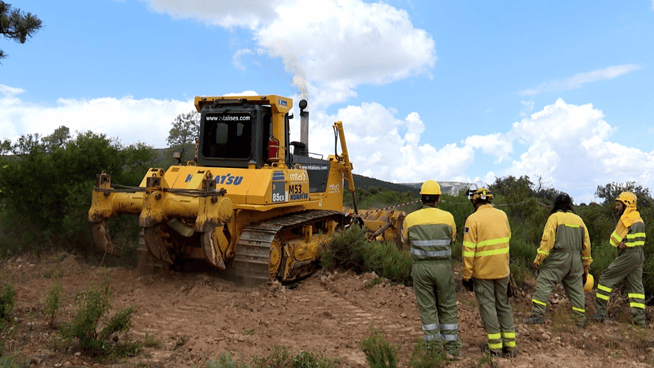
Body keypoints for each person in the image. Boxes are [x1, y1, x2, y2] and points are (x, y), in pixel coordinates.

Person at [402, 180, 462, 358]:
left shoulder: (410, 219)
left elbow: (405, 242)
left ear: (421, 198)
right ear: (438, 199)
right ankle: (452, 349)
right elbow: (452, 239)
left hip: (421, 268)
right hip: (443, 267)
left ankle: (434, 350)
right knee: (448, 306)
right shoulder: (448, 217)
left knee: (427, 309)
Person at [461, 182, 516, 358]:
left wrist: (466, 276)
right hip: (502, 270)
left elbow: (468, 251)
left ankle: (495, 348)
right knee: (504, 306)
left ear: (474, 201)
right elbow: (507, 241)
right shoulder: (502, 215)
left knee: (488, 308)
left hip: (483, 272)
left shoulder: (473, 219)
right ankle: (510, 346)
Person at [523, 193, 592, 328]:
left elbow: (547, 240)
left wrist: (539, 259)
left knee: (544, 281)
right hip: (576, 260)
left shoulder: (554, 217)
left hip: (558, 257)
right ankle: (579, 320)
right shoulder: (579, 220)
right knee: (577, 290)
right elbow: (587, 244)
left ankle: (537, 314)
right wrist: (586, 265)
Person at [589, 192, 647, 328]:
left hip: (629, 255)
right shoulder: (638, 218)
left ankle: (600, 313)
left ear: (626, 204)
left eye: (618, 204)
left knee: (605, 279)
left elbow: (613, 239)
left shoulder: (626, 219)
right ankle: (640, 321)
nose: (616, 207)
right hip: (639, 255)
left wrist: (619, 243)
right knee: (636, 286)